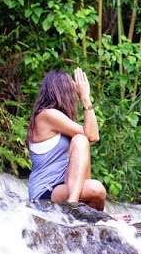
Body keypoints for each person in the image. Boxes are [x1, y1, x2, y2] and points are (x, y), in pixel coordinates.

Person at [27, 68, 107, 210]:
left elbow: (94, 135)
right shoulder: (46, 115)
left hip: (66, 186)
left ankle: (93, 216)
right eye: (72, 89)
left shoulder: (58, 119)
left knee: (97, 189)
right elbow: (92, 136)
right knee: (81, 140)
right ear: (63, 91)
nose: (75, 94)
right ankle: (73, 205)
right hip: (45, 192)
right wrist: (85, 97)